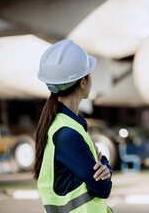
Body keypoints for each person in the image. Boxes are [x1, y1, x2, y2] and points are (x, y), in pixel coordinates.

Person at [33, 39, 113, 212]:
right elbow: (102, 188)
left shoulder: (64, 124)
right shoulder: (67, 134)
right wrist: (105, 164)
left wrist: (104, 168)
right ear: (82, 82)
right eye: (89, 73)